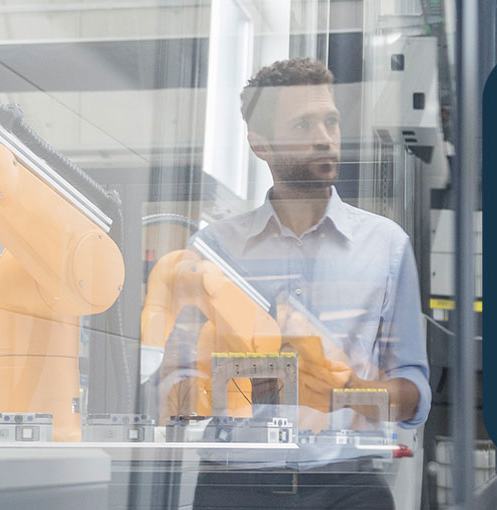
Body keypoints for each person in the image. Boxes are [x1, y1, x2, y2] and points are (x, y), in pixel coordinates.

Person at [166, 57, 431, 510]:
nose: (325, 137)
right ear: (260, 144)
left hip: (350, 489)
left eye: (331, 121)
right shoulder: (211, 250)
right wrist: (246, 381)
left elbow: (412, 394)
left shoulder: (387, 245)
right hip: (233, 490)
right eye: (304, 123)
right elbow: (176, 390)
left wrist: (341, 393)